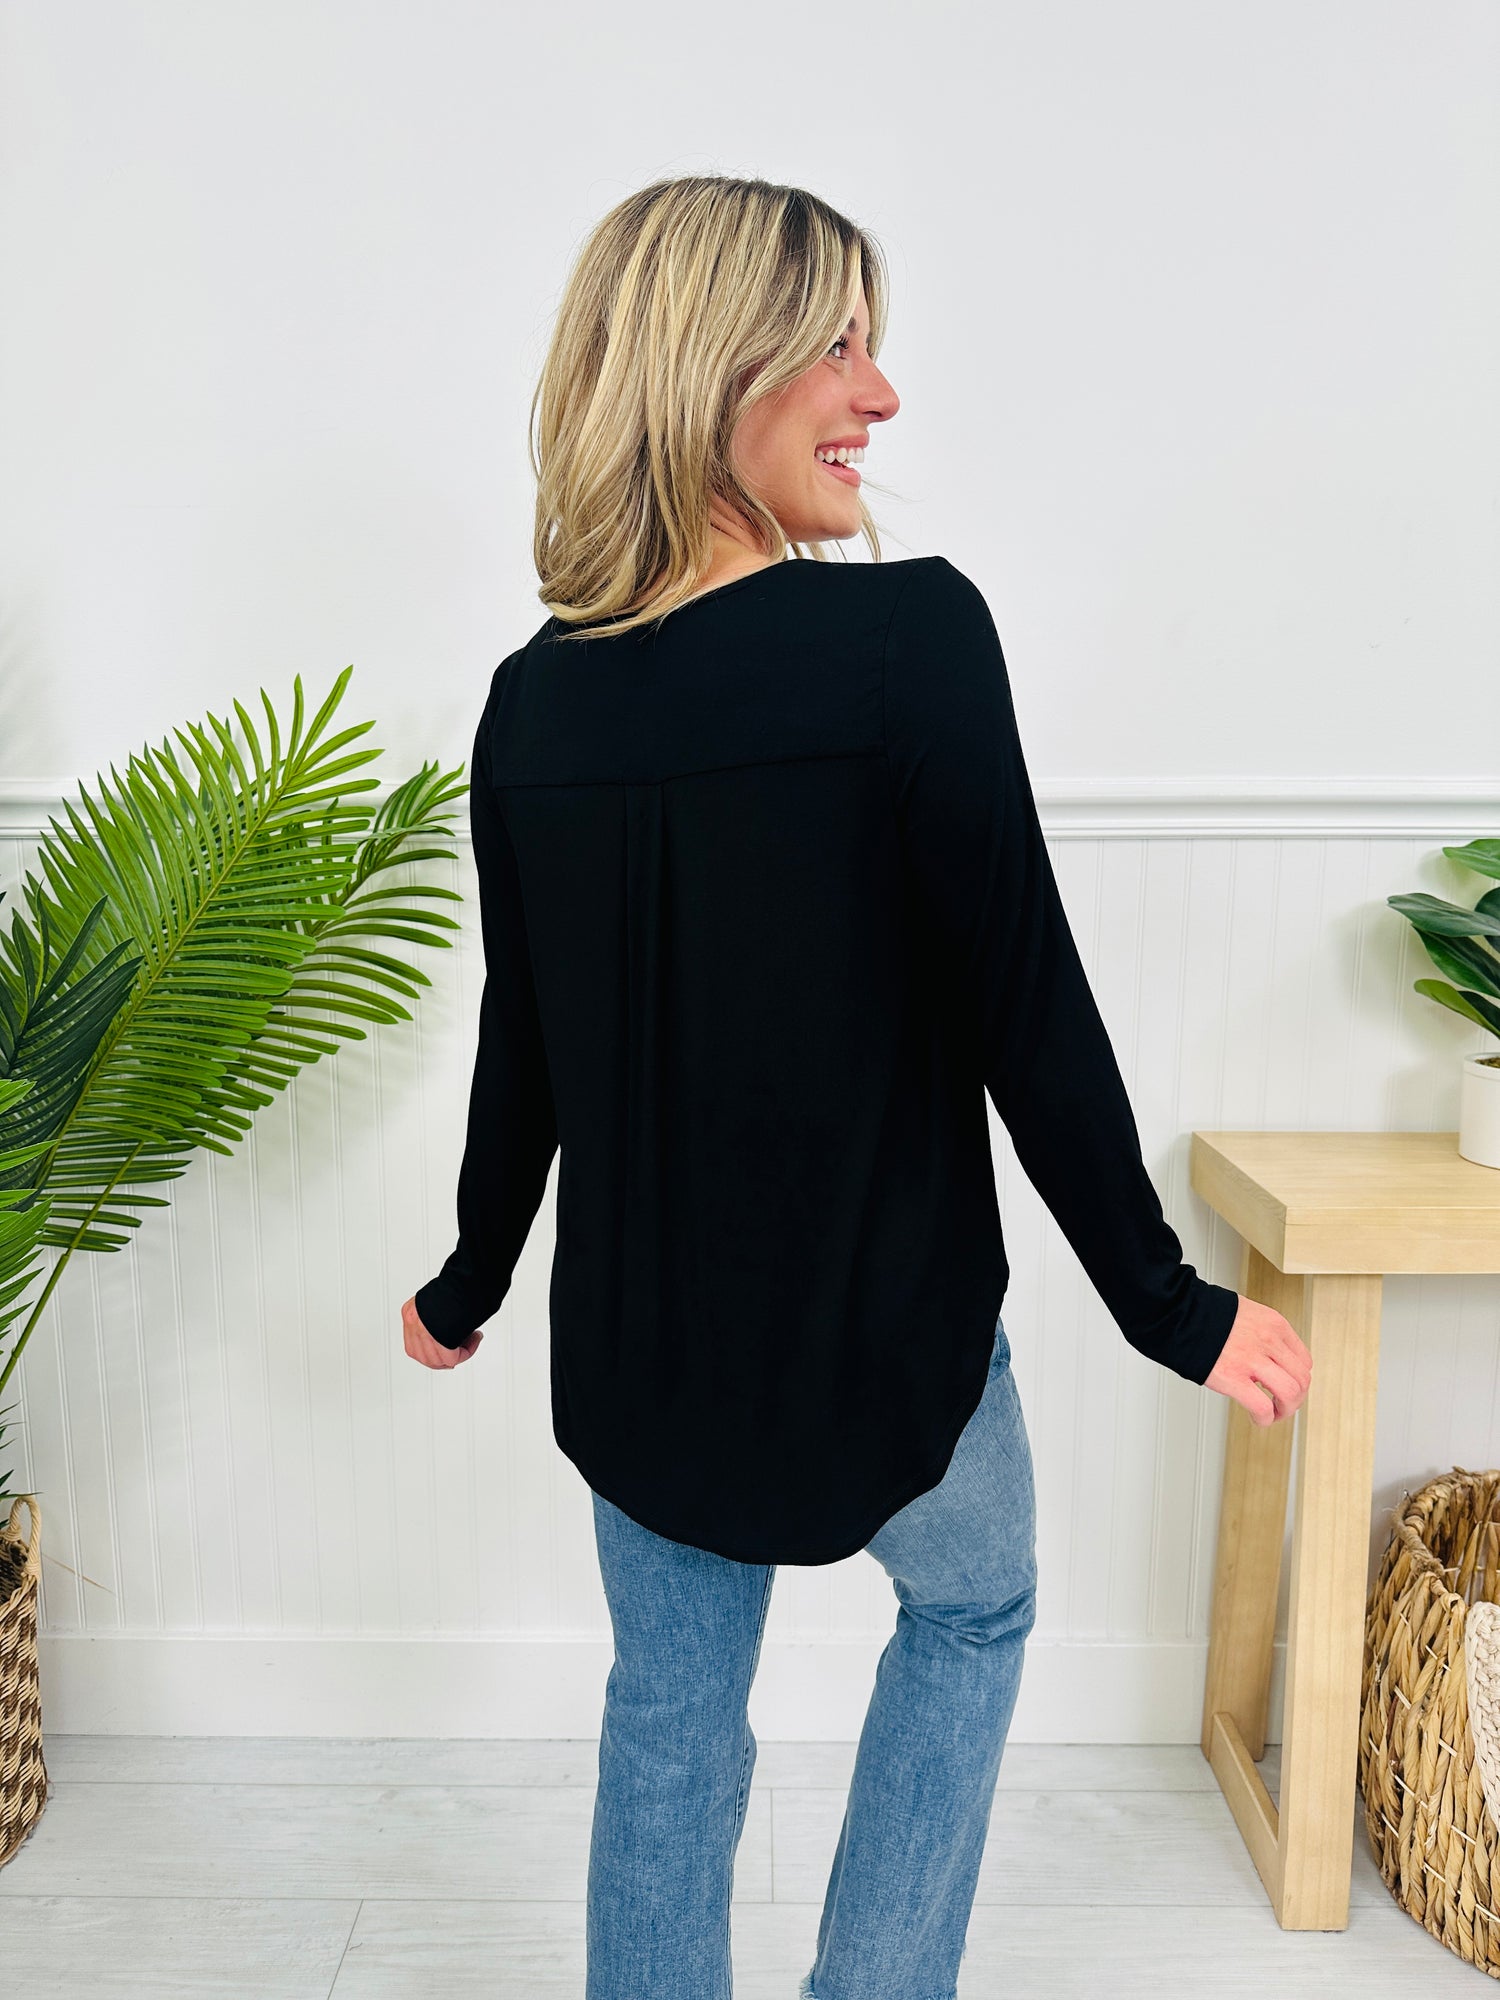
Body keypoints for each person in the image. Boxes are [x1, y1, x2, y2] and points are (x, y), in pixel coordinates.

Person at [401, 175, 1312, 2000]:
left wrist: (469, 1281)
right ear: (710, 366)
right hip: (893, 1343)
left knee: (671, 1713)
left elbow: (529, 1046)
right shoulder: (912, 642)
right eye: (836, 347)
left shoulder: (532, 706)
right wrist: (1171, 1305)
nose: (879, 395)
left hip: (647, 1356)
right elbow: (1026, 1005)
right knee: (975, 1608)